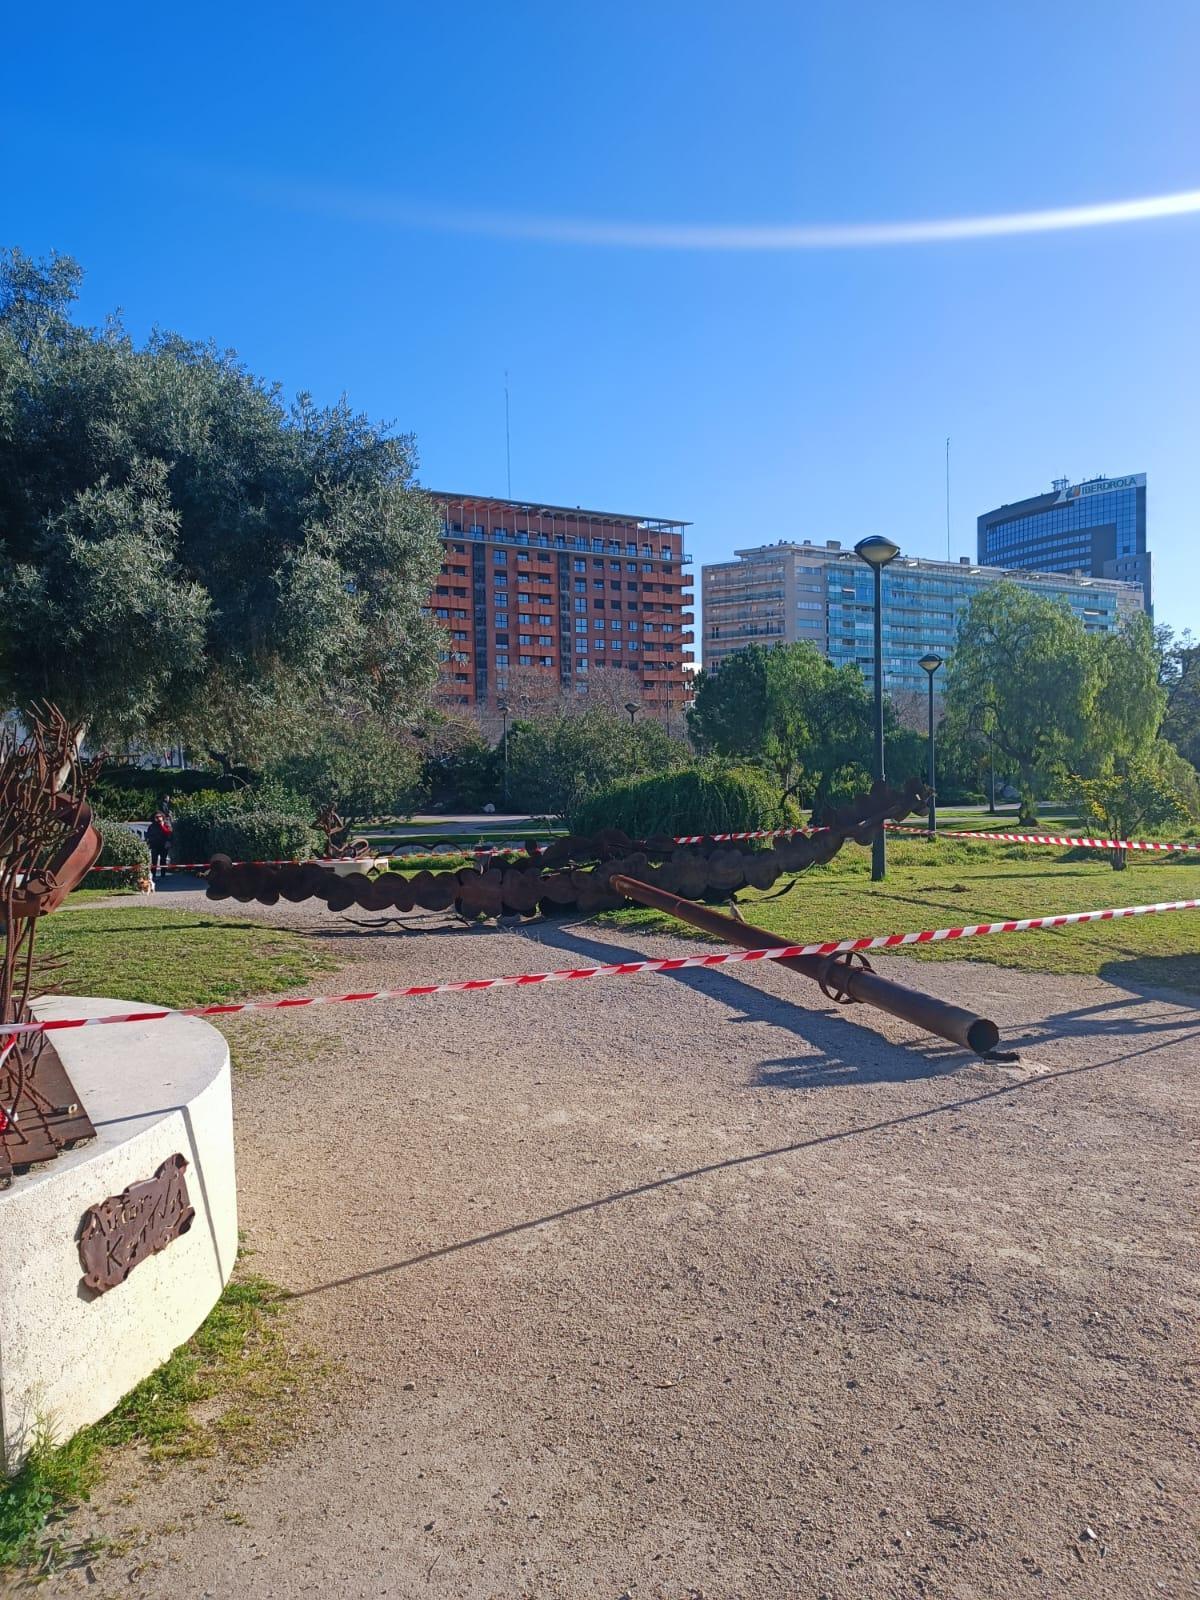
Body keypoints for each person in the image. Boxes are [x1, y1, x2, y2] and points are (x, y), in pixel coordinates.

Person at [146, 794, 174, 879]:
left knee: (163, 860)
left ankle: (163, 874)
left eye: (159, 817)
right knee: (154, 860)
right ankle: (153, 875)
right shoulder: (152, 826)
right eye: (156, 817)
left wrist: (168, 841)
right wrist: (149, 842)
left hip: (163, 845)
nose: (158, 818)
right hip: (154, 845)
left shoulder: (166, 824)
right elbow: (148, 835)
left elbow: (169, 833)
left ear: (162, 817)